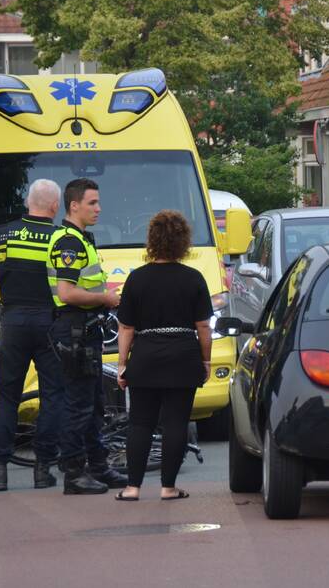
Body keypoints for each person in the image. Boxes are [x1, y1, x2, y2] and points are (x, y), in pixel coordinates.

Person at [114, 210, 212, 502]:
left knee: (140, 423)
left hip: (145, 356)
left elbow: (126, 327)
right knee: (176, 423)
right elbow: (204, 327)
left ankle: (133, 487)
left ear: (152, 240)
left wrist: (122, 364)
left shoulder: (136, 279)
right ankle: (168, 487)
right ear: (183, 242)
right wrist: (205, 360)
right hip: (183, 355)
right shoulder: (193, 278)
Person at [0, 179, 66, 492]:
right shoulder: (60, 237)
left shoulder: (4, 233)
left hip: (12, 321)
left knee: (5, 396)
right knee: (53, 395)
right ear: (55, 206)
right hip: (50, 324)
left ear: (28, 202)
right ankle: (43, 469)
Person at [46, 178, 127, 494]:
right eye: (92, 203)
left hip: (85, 329)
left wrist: (105, 295)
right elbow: (67, 293)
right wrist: (106, 299)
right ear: (74, 205)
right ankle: (74, 474)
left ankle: (98, 466)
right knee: (78, 405)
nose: (99, 208)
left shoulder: (81, 238)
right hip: (74, 330)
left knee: (94, 404)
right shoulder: (69, 242)